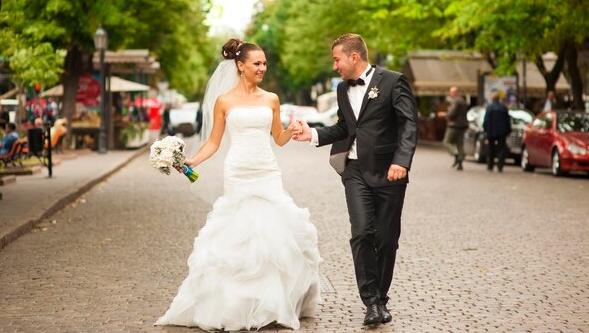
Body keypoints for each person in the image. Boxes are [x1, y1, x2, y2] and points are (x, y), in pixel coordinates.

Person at [156, 39, 321, 331]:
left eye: (265, 63)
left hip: (267, 170)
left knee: (273, 232)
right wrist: (191, 162)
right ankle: (237, 303)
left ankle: (274, 304)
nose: (262, 68)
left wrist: (292, 131)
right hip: (239, 171)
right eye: (257, 63)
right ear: (240, 66)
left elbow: (278, 139)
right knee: (240, 233)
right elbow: (214, 142)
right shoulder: (224, 101)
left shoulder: (271, 98)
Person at [292, 33, 418, 326]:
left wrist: (402, 161)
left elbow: (409, 123)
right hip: (355, 171)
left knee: (386, 239)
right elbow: (344, 128)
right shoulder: (341, 89)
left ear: (353, 57)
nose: (334, 65)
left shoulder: (393, 81)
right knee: (362, 232)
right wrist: (312, 134)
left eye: (336, 59)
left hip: (390, 171)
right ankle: (371, 301)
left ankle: (382, 297)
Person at [439, 86, 468, 170]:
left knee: (446, 141)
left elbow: (451, 113)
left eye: (451, 92)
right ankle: (460, 162)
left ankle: (455, 154)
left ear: (455, 92)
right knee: (459, 144)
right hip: (462, 125)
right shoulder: (463, 100)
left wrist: (445, 114)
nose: (450, 94)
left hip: (454, 125)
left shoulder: (456, 101)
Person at [483, 93, 512, 172]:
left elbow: (486, 120)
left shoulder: (489, 107)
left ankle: (490, 165)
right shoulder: (503, 108)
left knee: (491, 148)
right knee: (501, 149)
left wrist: (485, 130)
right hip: (501, 132)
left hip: (491, 131)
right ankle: (500, 165)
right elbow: (507, 120)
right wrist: (508, 130)